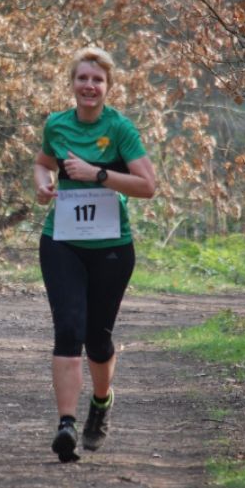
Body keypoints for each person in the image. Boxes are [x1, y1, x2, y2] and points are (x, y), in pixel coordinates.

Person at [34, 47, 156, 463]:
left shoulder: (119, 128)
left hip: (111, 247)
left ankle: (101, 403)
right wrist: (42, 183)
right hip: (62, 241)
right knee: (68, 328)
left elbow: (148, 186)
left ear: (108, 86)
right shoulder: (57, 124)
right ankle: (66, 424)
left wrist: (98, 174)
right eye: (82, 78)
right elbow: (43, 162)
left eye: (97, 80)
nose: (89, 86)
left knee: (97, 338)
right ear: (72, 83)